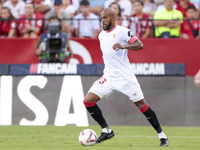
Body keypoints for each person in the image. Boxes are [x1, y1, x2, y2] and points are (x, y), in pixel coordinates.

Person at [83, 7, 169, 146]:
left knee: (142, 105)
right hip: (109, 77)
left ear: (113, 17)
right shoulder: (101, 35)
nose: (102, 20)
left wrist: (124, 46)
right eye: (101, 17)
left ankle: (162, 136)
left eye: (105, 17)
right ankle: (106, 131)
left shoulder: (122, 31)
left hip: (125, 78)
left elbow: (139, 44)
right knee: (88, 101)